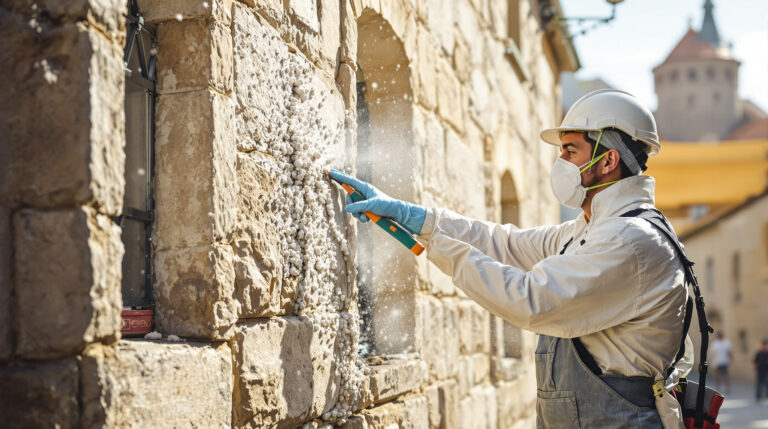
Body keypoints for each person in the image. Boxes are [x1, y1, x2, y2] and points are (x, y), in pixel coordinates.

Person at [330, 89, 694, 428]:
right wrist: (415, 217)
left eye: (570, 151)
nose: (560, 161)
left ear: (608, 160)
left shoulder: (629, 241)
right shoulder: (594, 228)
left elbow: (532, 300)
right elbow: (507, 244)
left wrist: (436, 245)